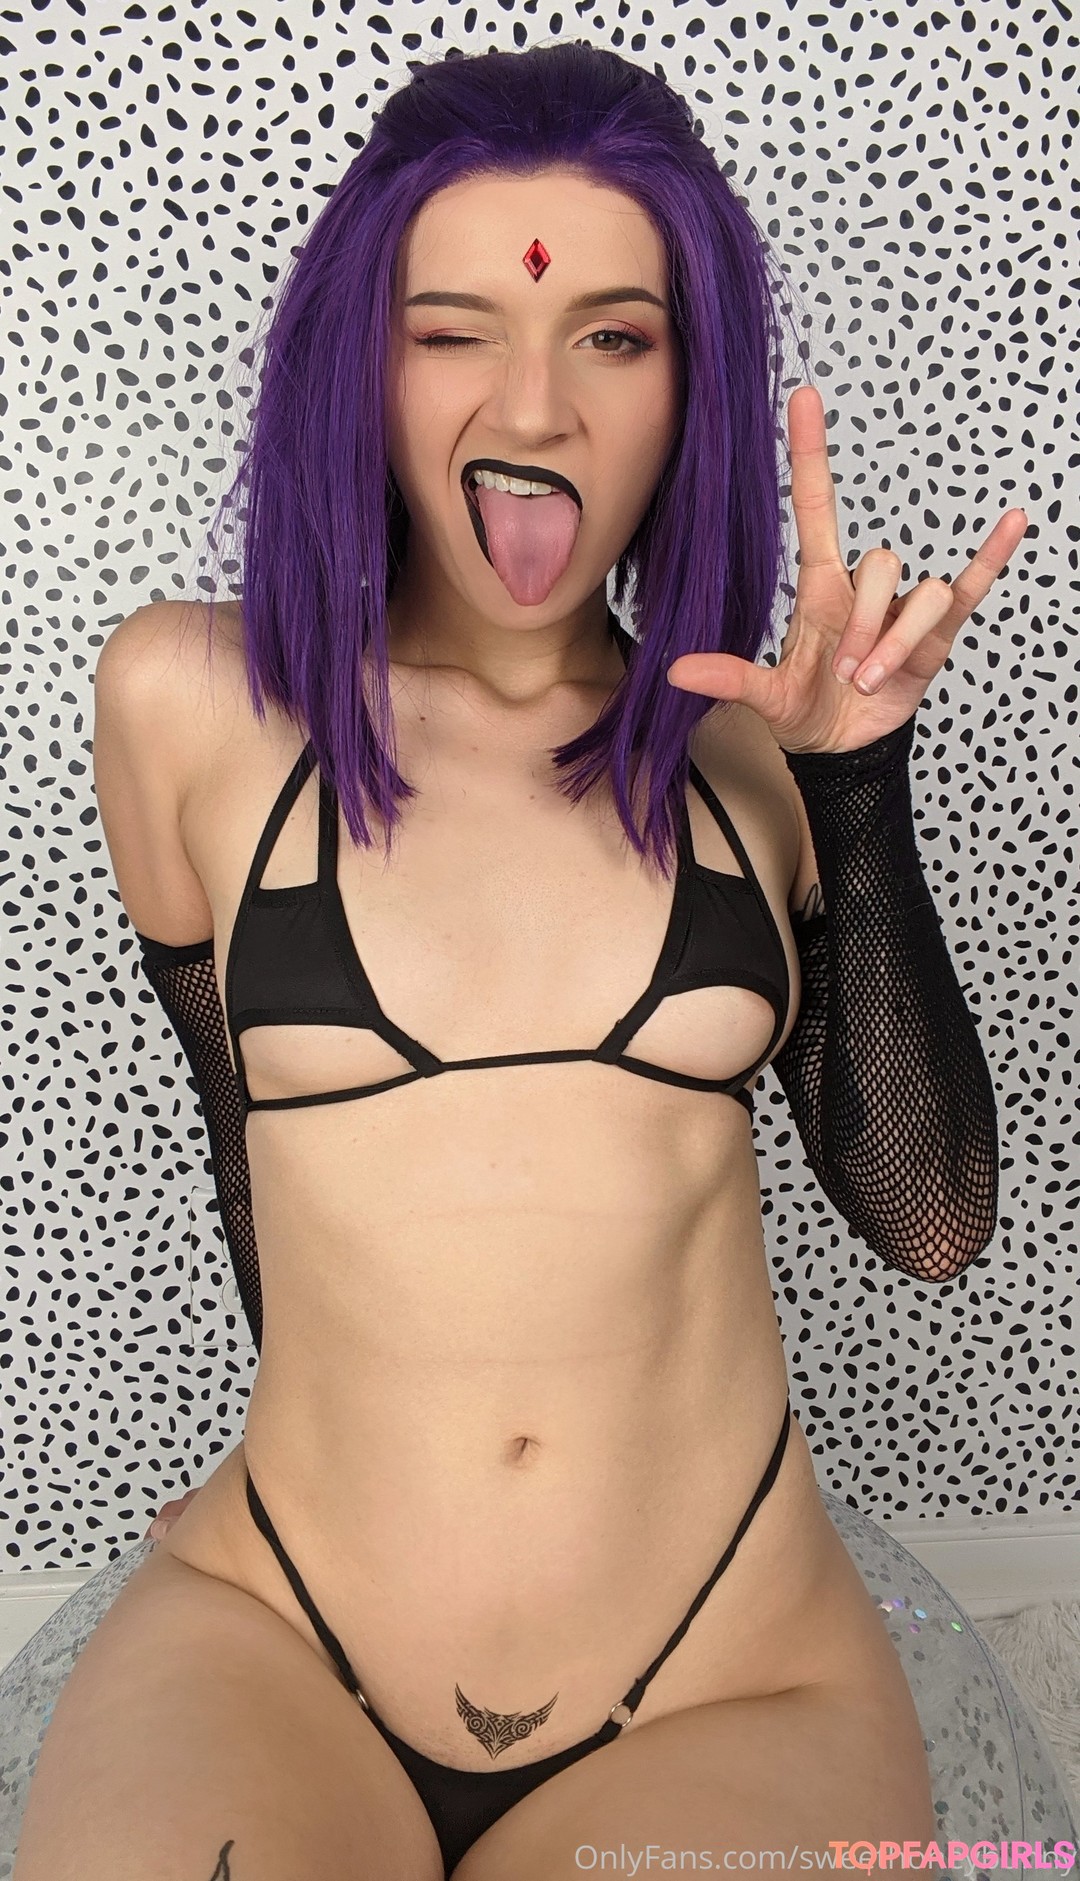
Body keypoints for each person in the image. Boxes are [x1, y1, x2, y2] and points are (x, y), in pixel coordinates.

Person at [16, 41, 1024, 1881]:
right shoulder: (184, 702)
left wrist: (859, 784)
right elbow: (254, 1150)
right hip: (285, 1633)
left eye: (614, 336)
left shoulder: (757, 756)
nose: (537, 404)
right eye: (452, 329)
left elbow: (935, 1219)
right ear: (361, 363)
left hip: (732, 1669)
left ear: (690, 383)